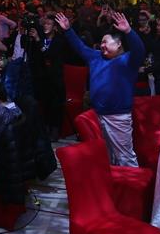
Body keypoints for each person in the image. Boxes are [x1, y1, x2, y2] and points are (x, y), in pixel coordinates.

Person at [55, 10, 144, 167]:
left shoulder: (128, 60)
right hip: (97, 114)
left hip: (118, 116)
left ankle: (133, 181)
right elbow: (80, 47)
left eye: (106, 42)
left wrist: (129, 31)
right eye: (101, 42)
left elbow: (140, 50)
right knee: (107, 155)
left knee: (124, 157)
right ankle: (114, 181)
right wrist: (68, 30)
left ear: (118, 44)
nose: (102, 45)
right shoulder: (96, 57)